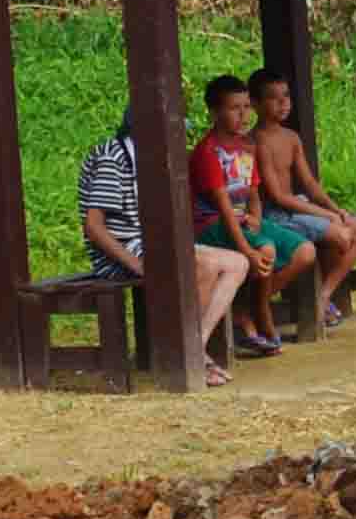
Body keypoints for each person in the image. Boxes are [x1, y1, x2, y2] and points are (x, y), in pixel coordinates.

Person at [79, 105, 246, 382]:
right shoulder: (113, 158)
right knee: (201, 263)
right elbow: (94, 228)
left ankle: (195, 347)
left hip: (148, 245)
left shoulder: (148, 158)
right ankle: (189, 355)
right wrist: (139, 266)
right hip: (119, 254)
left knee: (236, 263)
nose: (178, 138)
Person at [194, 76, 311, 347]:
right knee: (265, 250)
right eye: (235, 108)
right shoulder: (208, 152)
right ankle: (261, 317)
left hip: (242, 221)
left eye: (246, 106)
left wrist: (256, 217)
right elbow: (223, 208)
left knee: (305, 252)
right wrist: (247, 250)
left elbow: (253, 194)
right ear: (214, 112)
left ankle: (249, 307)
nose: (244, 114)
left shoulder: (247, 147)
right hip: (212, 225)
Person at [250, 71, 356, 333]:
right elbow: (277, 196)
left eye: (286, 96)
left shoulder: (291, 138)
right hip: (275, 214)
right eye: (273, 98)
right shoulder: (258, 140)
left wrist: (334, 209)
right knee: (340, 235)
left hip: (296, 206)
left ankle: (322, 297)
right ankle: (257, 303)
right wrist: (327, 217)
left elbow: (310, 184)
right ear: (255, 104)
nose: (283, 103)